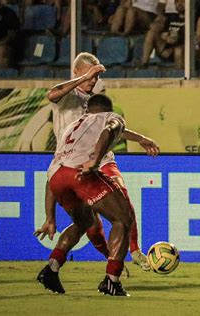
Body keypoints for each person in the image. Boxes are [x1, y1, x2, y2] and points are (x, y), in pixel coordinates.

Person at [38, 52, 152, 275]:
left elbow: (111, 128)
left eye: (95, 77)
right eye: (90, 75)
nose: (93, 80)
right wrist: (83, 78)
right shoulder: (68, 97)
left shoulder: (94, 101)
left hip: (98, 159)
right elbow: (52, 94)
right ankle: (112, 263)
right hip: (73, 162)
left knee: (122, 196)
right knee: (90, 223)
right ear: (77, 72)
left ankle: (135, 250)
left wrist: (141, 139)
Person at [35, 94, 138, 296]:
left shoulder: (72, 127)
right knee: (123, 218)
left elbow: (53, 172)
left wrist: (50, 217)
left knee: (84, 222)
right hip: (80, 173)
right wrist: (95, 161)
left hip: (56, 177)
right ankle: (112, 281)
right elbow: (109, 131)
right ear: (108, 108)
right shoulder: (111, 117)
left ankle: (52, 268)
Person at [140, 0, 185, 69]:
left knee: (178, 50)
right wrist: (162, 35)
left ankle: (178, 76)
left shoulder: (193, 19)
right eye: (177, 1)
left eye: (183, 1)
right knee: (151, 33)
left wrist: (172, 49)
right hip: (165, 48)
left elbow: (195, 40)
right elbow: (154, 27)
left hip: (181, 50)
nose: (179, 4)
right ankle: (144, 64)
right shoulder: (170, 17)